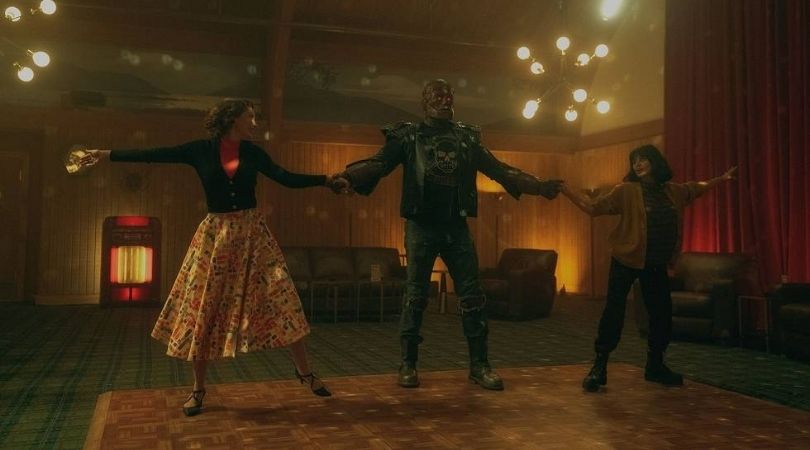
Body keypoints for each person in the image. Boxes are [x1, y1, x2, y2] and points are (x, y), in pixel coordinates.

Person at [80, 98, 349, 415]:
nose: (254, 123)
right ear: (233, 119)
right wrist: (106, 154)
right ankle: (198, 389)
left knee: (282, 298)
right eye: (250, 117)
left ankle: (305, 373)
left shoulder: (254, 153)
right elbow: (154, 154)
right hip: (215, 238)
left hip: (252, 235)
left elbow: (285, 177)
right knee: (203, 307)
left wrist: (324, 181)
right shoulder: (199, 150)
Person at [339, 79, 563, 390]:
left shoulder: (466, 138)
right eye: (437, 95)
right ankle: (408, 363)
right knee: (415, 295)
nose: (445, 100)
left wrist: (538, 186)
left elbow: (499, 170)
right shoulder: (408, 136)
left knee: (472, 295)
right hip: (421, 225)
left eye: (448, 95)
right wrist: (348, 177)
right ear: (425, 101)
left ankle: (479, 364)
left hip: (455, 226)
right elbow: (379, 164)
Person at [561, 144, 737, 392]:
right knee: (614, 312)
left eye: (643, 159)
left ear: (655, 162)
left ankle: (655, 365)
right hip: (625, 260)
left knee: (661, 315)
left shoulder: (673, 191)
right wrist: (565, 190)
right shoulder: (626, 191)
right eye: (634, 161)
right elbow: (593, 207)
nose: (638, 164)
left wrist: (721, 179)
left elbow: (697, 188)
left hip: (655, 263)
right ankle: (599, 366)